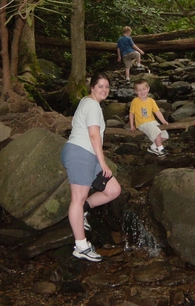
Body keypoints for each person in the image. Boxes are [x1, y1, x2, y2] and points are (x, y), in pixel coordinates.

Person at [61, 72, 121, 262]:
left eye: (107, 87)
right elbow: (94, 135)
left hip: (86, 154)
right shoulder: (92, 105)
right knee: (77, 199)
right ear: (92, 88)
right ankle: (81, 246)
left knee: (113, 190)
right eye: (100, 86)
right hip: (80, 153)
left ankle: (85, 209)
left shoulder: (87, 103)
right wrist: (103, 163)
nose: (104, 89)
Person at [129, 78, 169, 157]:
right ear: (136, 92)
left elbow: (157, 112)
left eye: (144, 89)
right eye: (139, 90)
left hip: (152, 122)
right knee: (156, 132)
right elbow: (131, 113)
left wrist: (164, 121)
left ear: (148, 89)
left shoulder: (151, 101)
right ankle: (160, 149)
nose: (142, 92)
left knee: (165, 135)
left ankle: (152, 147)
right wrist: (132, 125)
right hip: (142, 123)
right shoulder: (135, 101)